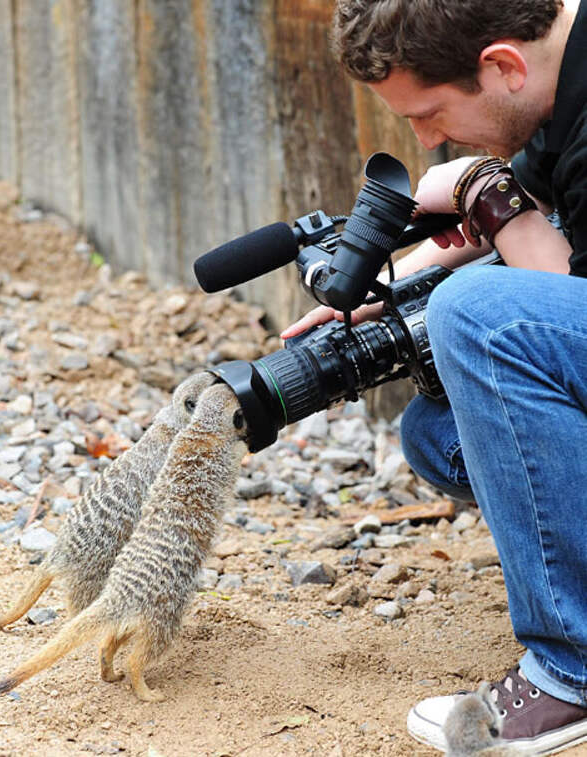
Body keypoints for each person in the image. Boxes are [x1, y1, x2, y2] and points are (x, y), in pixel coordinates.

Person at [282, 1, 587, 753]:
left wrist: (490, 190)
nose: (425, 139)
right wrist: (378, 296)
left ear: (503, 65)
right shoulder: (557, 87)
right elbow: (541, 203)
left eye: (430, 113)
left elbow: (556, 292)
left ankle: (571, 674)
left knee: (480, 315)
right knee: (436, 432)